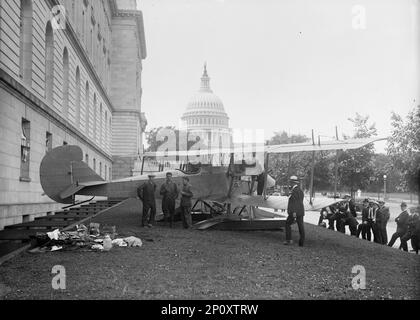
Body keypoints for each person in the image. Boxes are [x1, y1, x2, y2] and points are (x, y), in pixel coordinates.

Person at [284, 176, 305, 247]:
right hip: (300, 211)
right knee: (300, 226)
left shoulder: (294, 191)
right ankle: (301, 242)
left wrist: (294, 213)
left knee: (287, 223)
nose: (290, 183)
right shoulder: (300, 190)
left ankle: (288, 240)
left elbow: (295, 203)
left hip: (294, 212)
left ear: (292, 183)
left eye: (290, 182)